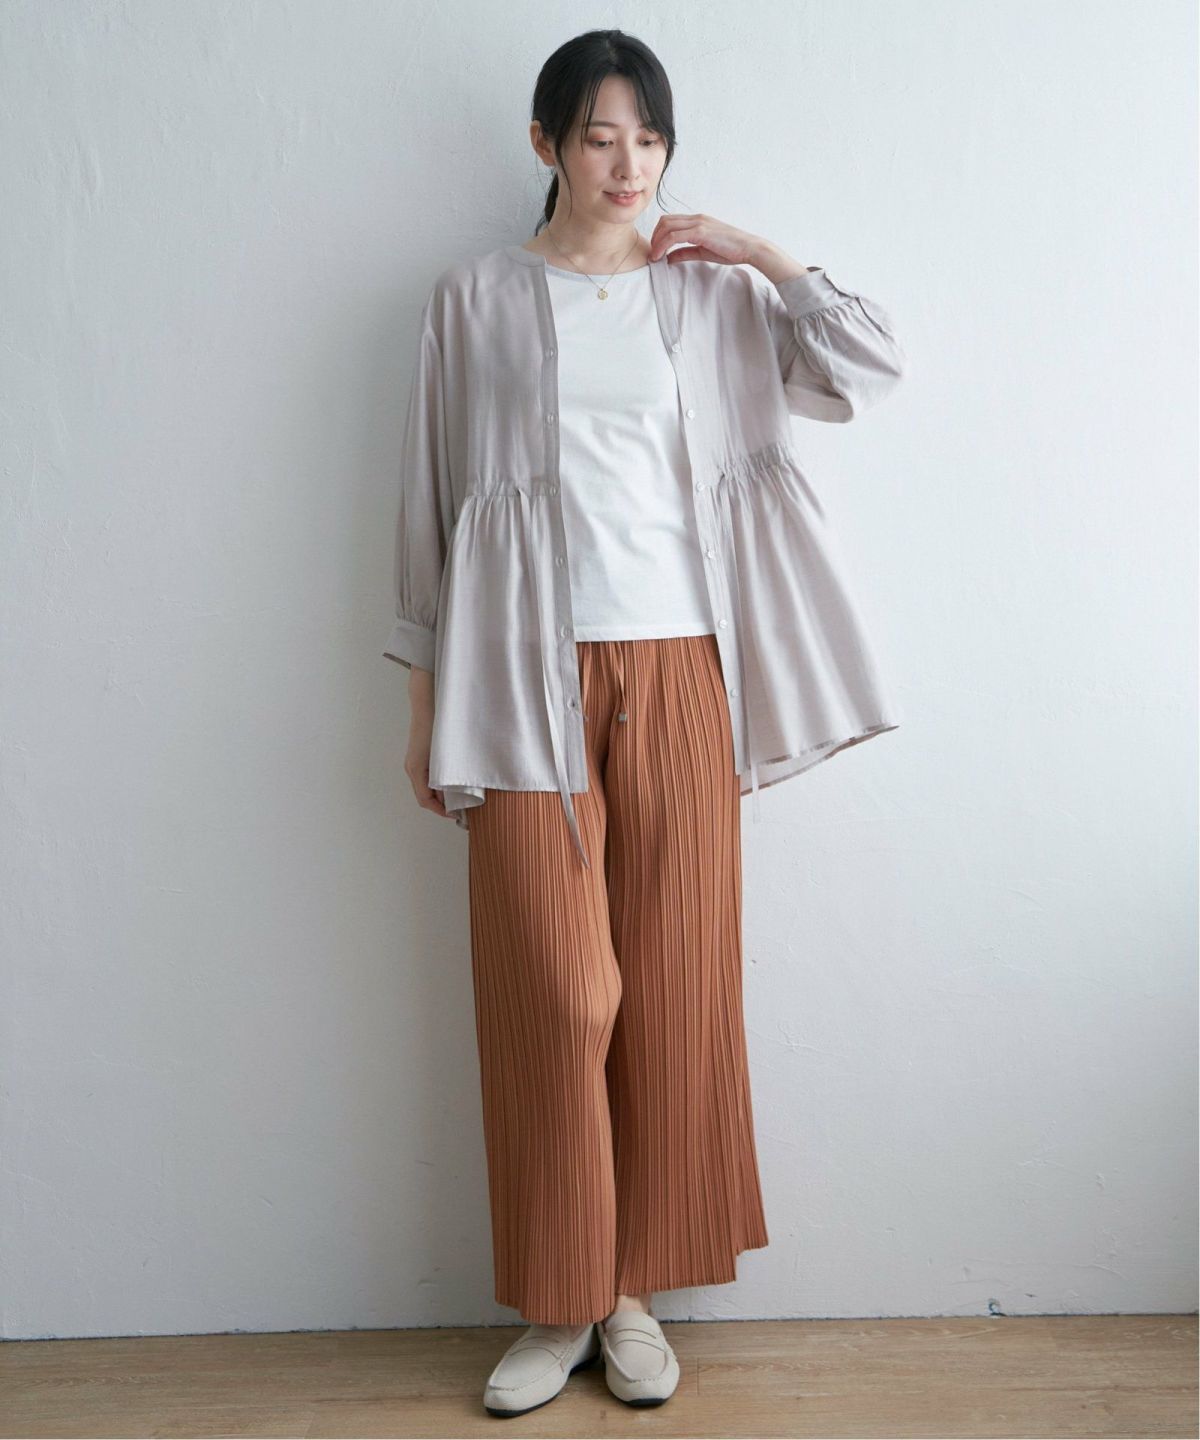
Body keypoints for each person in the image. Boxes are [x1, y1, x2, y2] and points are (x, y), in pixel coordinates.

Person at [384, 29, 906, 1420]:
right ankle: (556, 1297)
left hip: (682, 670)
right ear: (547, 143)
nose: (630, 165)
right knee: (556, 989)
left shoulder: (711, 295)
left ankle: (626, 1297)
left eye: (651, 139)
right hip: (518, 678)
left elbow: (868, 367)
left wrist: (758, 252)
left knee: (673, 984)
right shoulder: (474, 299)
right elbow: (429, 506)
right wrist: (424, 701)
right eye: (601, 136)